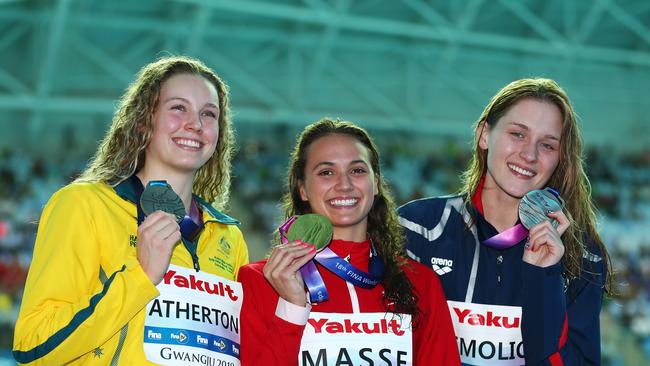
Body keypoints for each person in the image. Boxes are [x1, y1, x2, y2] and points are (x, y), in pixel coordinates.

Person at [13, 56, 249, 365]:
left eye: (209, 114)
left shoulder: (228, 236)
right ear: (143, 120)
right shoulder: (84, 205)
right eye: (178, 108)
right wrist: (140, 277)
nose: (196, 124)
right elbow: (33, 345)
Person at [398, 78, 613, 365]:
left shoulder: (580, 253)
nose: (529, 155)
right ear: (484, 134)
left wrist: (544, 279)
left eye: (547, 145)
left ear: (560, 158)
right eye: (518, 134)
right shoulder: (417, 229)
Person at [238, 118, 460, 365]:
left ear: (375, 182)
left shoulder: (421, 283)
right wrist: (292, 308)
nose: (344, 185)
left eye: (357, 170)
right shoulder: (260, 280)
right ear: (302, 189)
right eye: (326, 172)